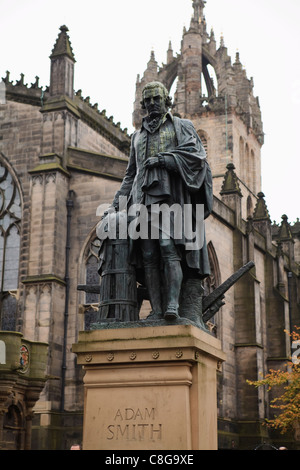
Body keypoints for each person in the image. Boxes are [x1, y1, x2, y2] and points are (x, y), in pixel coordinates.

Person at [110, 81, 213, 322]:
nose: (152, 104)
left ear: (166, 100)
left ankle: (173, 306)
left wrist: (165, 160)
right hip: (141, 199)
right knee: (148, 255)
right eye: (148, 100)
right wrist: (117, 204)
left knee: (168, 247)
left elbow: (196, 156)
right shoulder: (137, 136)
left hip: (172, 198)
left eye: (157, 99)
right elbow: (130, 174)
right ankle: (156, 309)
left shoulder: (181, 126)